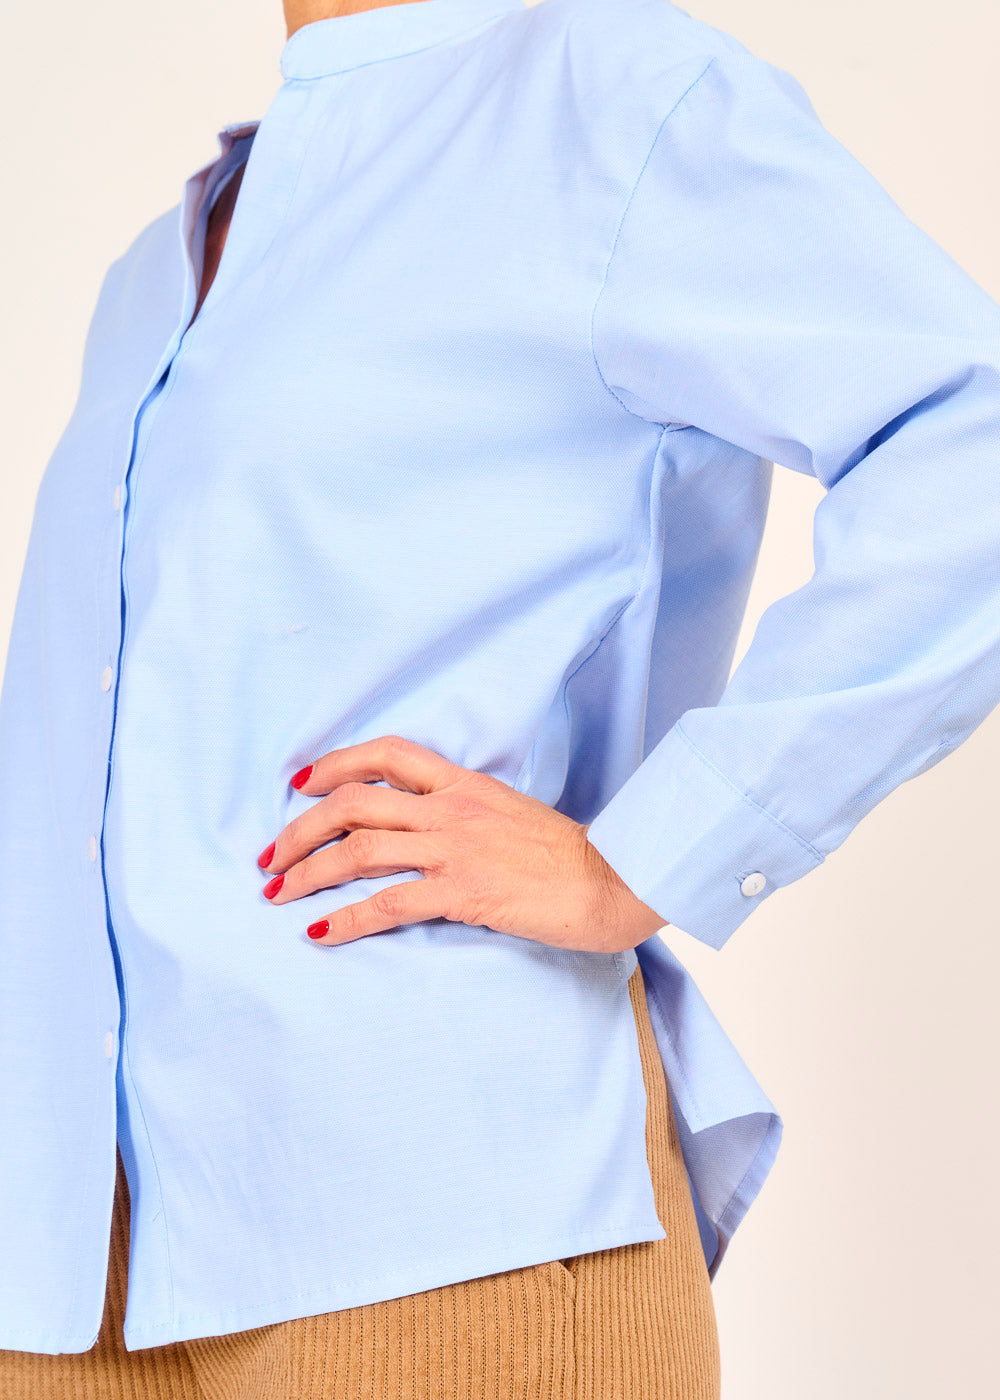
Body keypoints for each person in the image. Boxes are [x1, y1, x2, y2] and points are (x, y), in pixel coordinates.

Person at [1, 0, 998, 1395]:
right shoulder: (164, 257)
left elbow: (971, 441)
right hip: (70, 1274)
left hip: (437, 1233)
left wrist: (643, 857)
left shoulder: (608, 95)